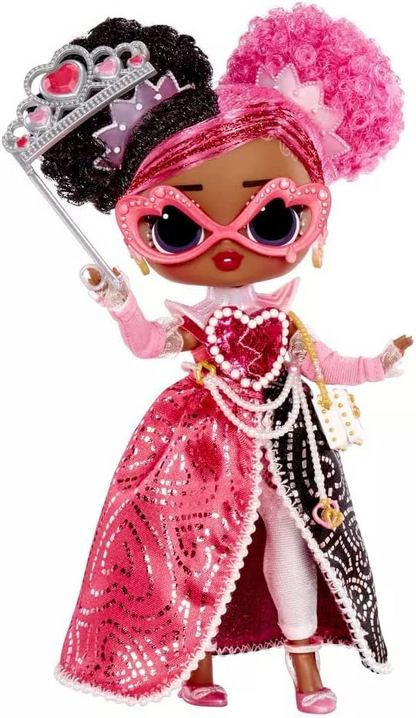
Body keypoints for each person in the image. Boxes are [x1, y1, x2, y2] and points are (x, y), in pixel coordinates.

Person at [39, 5, 411, 713]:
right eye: (177, 227)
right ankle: (195, 665)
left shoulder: (282, 321)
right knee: (192, 550)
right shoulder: (201, 323)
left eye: (271, 217)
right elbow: (150, 345)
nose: (229, 244)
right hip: (200, 445)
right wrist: (119, 304)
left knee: (295, 542)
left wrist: (378, 365)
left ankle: (306, 673)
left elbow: (323, 363)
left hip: (288, 443)